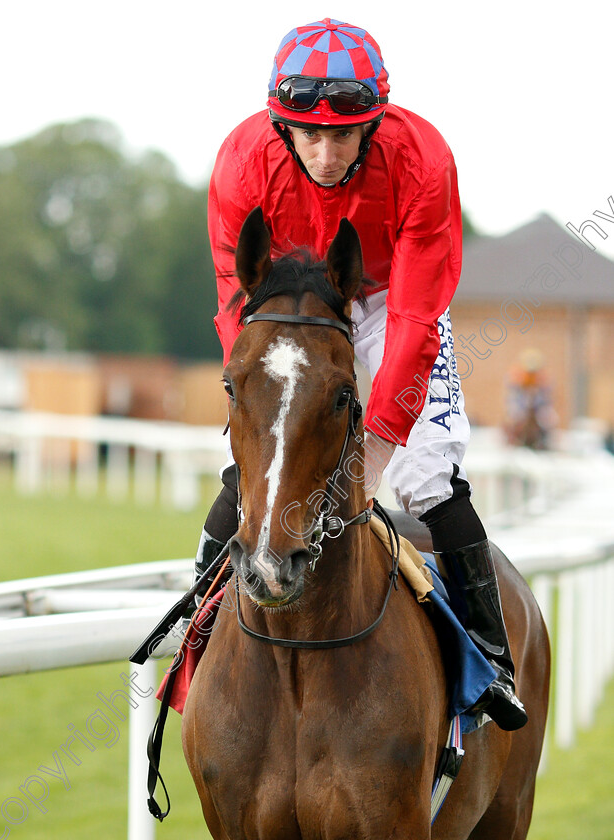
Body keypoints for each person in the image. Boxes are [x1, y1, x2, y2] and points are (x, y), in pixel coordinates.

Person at [193, 18, 527, 731]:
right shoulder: (240, 161)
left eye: (342, 135)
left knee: (428, 475)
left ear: (372, 123)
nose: (323, 152)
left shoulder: (421, 159)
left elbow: (413, 317)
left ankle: (492, 663)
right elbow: (232, 296)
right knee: (256, 461)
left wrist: (374, 448)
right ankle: (193, 640)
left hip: (383, 299)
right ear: (279, 125)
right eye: (307, 134)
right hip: (290, 301)